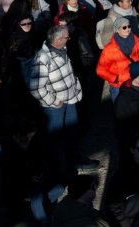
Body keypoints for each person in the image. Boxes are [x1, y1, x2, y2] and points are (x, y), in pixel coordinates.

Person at [28, 23, 84, 180]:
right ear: (58, 39)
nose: (69, 39)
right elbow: (35, 88)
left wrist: (76, 90)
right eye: (66, 37)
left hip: (70, 100)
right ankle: (58, 173)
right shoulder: (42, 59)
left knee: (72, 135)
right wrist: (54, 101)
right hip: (56, 107)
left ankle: (73, 163)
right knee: (55, 141)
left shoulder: (63, 49)